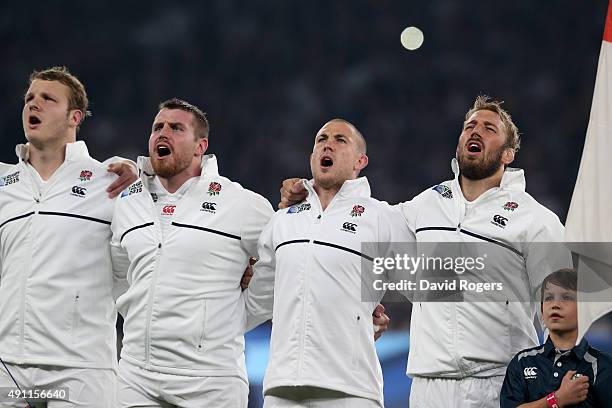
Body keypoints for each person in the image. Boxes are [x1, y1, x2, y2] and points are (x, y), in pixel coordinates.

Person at [279, 96, 572, 407]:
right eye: (469, 126)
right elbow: (358, 231)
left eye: (489, 128)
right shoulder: (426, 204)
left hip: (498, 383)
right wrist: (308, 200)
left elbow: (565, 310)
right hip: (428, 386)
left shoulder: (535, 220)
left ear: (508, 153)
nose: (476, 132)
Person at [109, 98, 276, 407]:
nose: (163, 133)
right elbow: (121, 273)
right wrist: (139, 311)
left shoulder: (241, 203)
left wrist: (240, 313)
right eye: (157, 127)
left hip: (211, 380)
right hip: (136, 374)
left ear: (201, 146)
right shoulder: (127, 202)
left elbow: (284, 263)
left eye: (176, 128)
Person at [245, 118, 412, 408]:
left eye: (340, 139)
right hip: (282, 389)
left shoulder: (382, 218)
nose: (328, 143)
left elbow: (432, 285)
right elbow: (255, 302)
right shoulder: (282, 220)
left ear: (360, 161)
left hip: (351, 389)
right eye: (321, 139)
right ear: (312, 156)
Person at [0, 66, 137, 407]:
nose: (34, 104)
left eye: (48, 98)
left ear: (75, 117)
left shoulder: (111, 181)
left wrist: (143, 177)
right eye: (30, 98)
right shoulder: (3, 184)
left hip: (80, 367)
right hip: (7, 365)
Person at [500, 268, 612, 407]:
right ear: (541, 309)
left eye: (566, 298)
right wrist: (556, 400)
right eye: (548, 298)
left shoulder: (604, 366)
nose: (555, 305)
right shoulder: (522, 362)